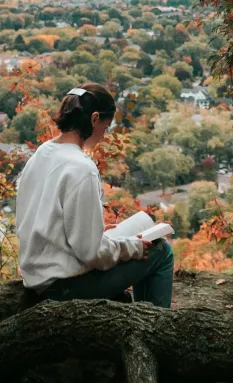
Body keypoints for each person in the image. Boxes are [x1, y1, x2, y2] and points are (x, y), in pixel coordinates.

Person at [15, 83, 174, 307]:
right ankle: (156, 328)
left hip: (37, 276)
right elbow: (91, 254)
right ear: (94, 118)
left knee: (132, 245)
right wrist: (132, 247)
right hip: (64, 285)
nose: (104, 134)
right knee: (161, 250)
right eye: (106, 127)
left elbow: (47, 221)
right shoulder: (81, 168)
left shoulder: (43, 153)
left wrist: (97, 234)